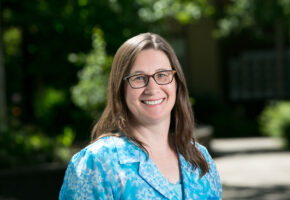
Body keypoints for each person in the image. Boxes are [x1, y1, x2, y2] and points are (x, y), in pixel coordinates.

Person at [59, 32, 222, 199]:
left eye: (161, 75)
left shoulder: (200, 159)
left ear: (177, 83)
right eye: (138, 78)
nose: (152, 88)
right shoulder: (97, 162)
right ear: (120, 89)